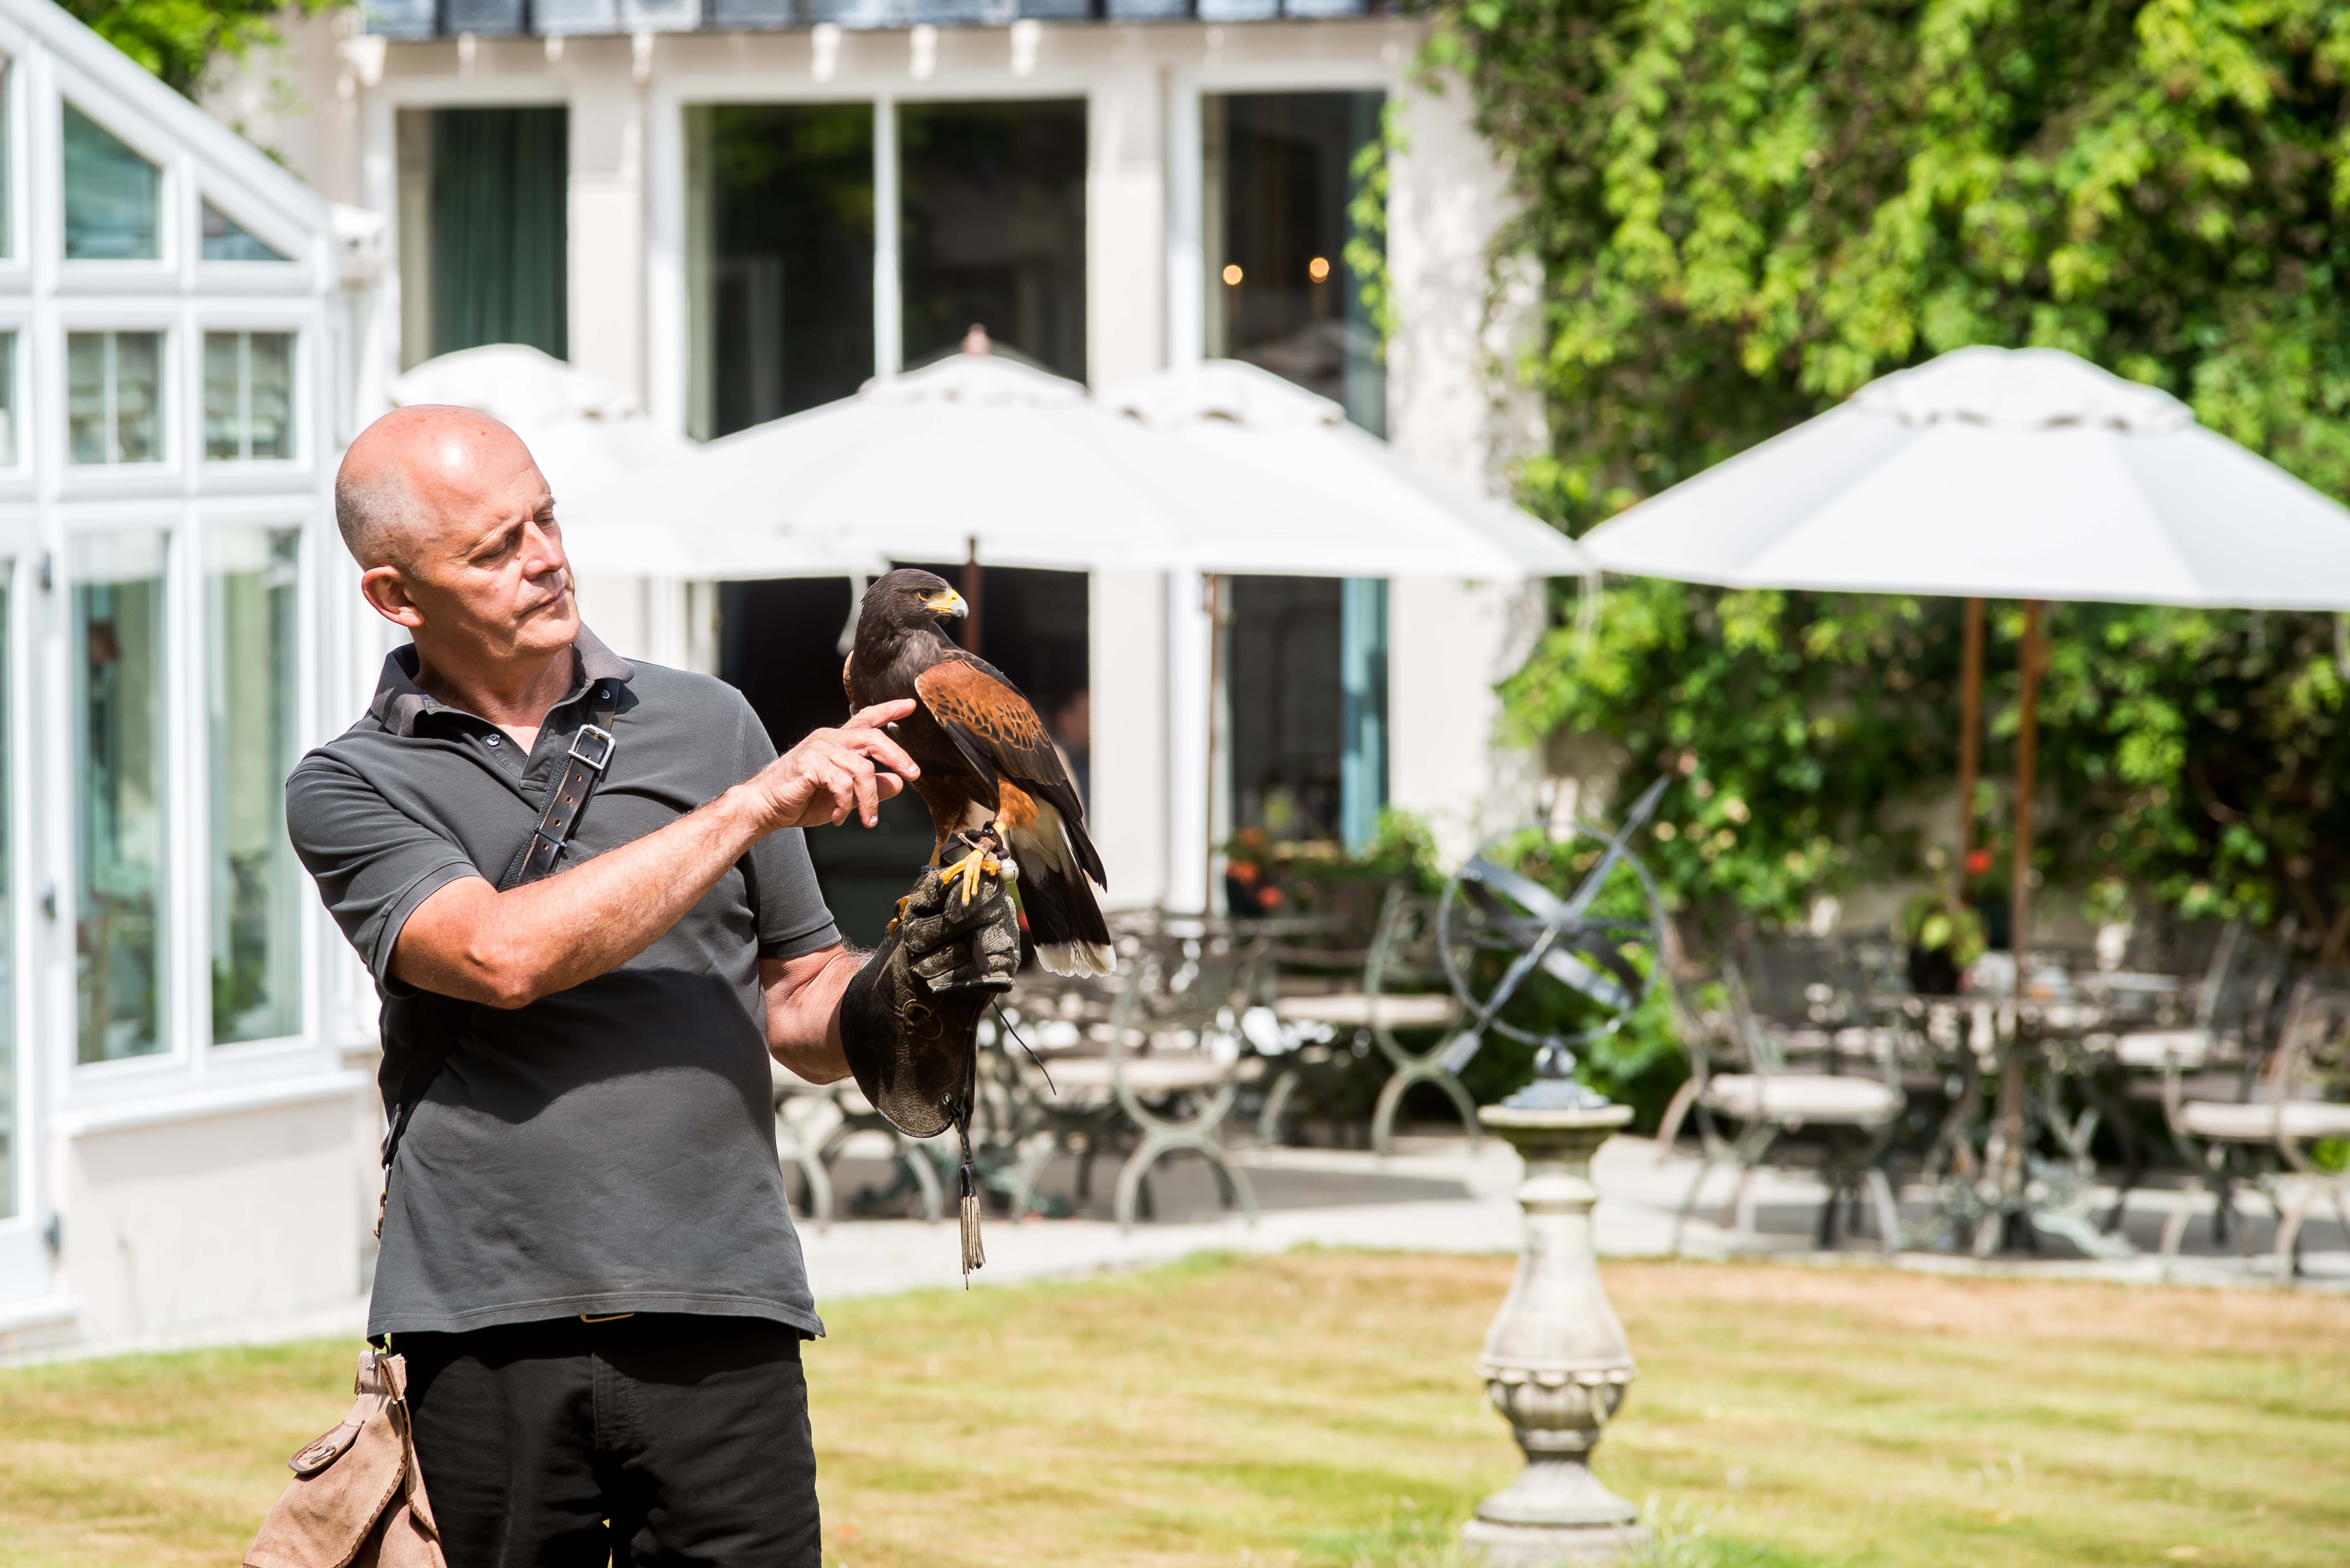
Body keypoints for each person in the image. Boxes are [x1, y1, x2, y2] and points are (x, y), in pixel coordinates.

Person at [287, 404, 1015, 1568]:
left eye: (546, 519)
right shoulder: (352, 782)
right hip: (482, 1328)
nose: (545, 557)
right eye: (493, 547)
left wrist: (907, 991)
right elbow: (495, 955)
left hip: (723, 1313)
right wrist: (752, 805)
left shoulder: (709, 721)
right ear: (395, 595)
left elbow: (799, 1001)